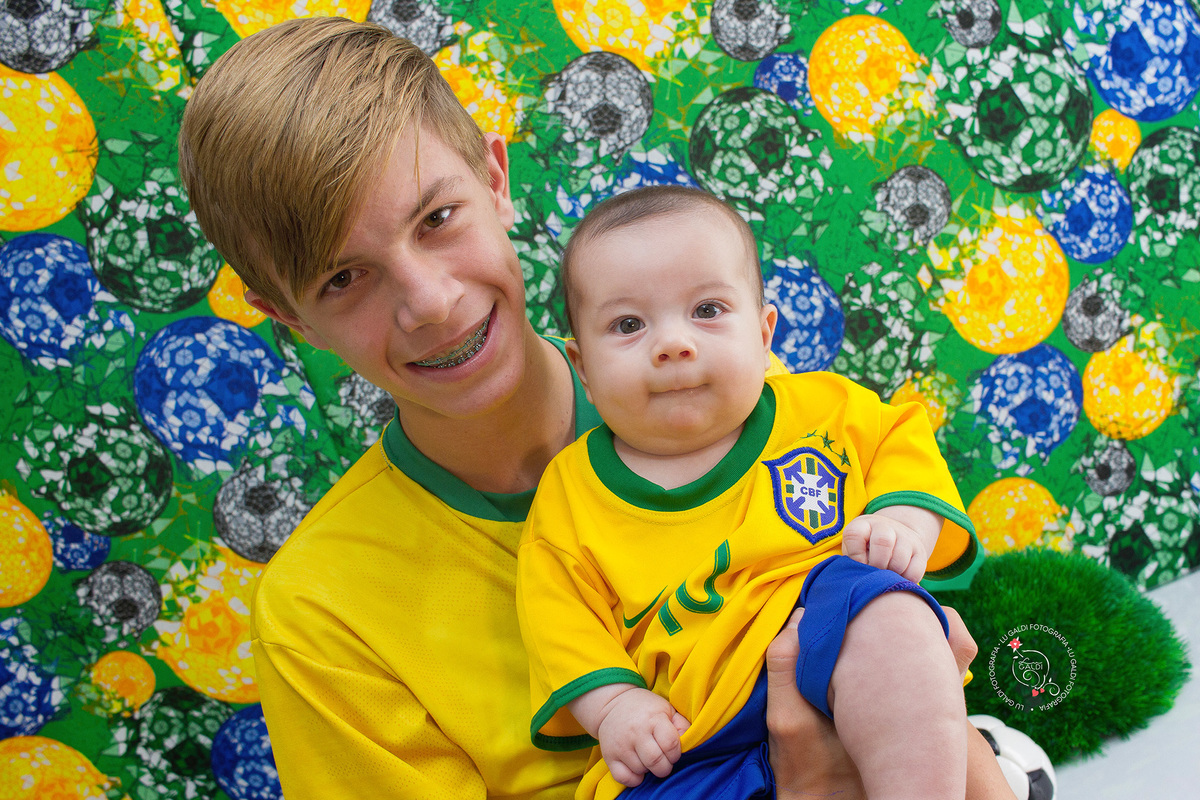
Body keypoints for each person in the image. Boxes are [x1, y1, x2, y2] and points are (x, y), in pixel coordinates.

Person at [176, 15, 1014, 800]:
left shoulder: (719, 395)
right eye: (343, 278)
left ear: (496, 180)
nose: (429, 301)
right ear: (286, 314)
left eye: (437, 218)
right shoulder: (320, 616)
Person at [517, 185, 981, 800]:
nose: (674, 344)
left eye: (707, 310)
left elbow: (901, 440)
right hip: (689, 734)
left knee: (891, 620)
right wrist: (615, 706)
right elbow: (557, 619)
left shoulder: (824, 407)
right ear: (583, 369)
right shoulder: (570, 493)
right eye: (628, 325)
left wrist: (901, 519)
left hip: (825, 628)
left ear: (765, 336)